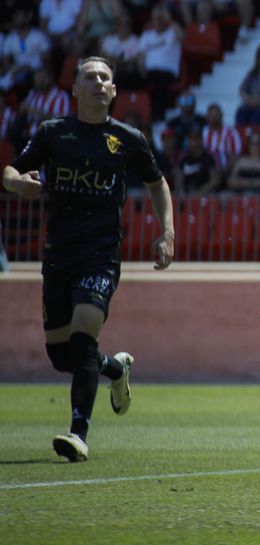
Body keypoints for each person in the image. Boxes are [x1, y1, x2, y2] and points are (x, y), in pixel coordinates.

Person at [2, 56, 175, 462]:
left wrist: (167, 232)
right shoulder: (53, 133)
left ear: (113, 91)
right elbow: (10, 169)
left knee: (83, 334)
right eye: (89, 77)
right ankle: (114, 369)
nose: (98, 82)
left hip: (101, 255)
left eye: (105, 78)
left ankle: (78, 433)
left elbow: (158, 183)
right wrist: (15, 184)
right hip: (59, 255)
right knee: (64, 357)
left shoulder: (128, 138)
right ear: (75, 89)